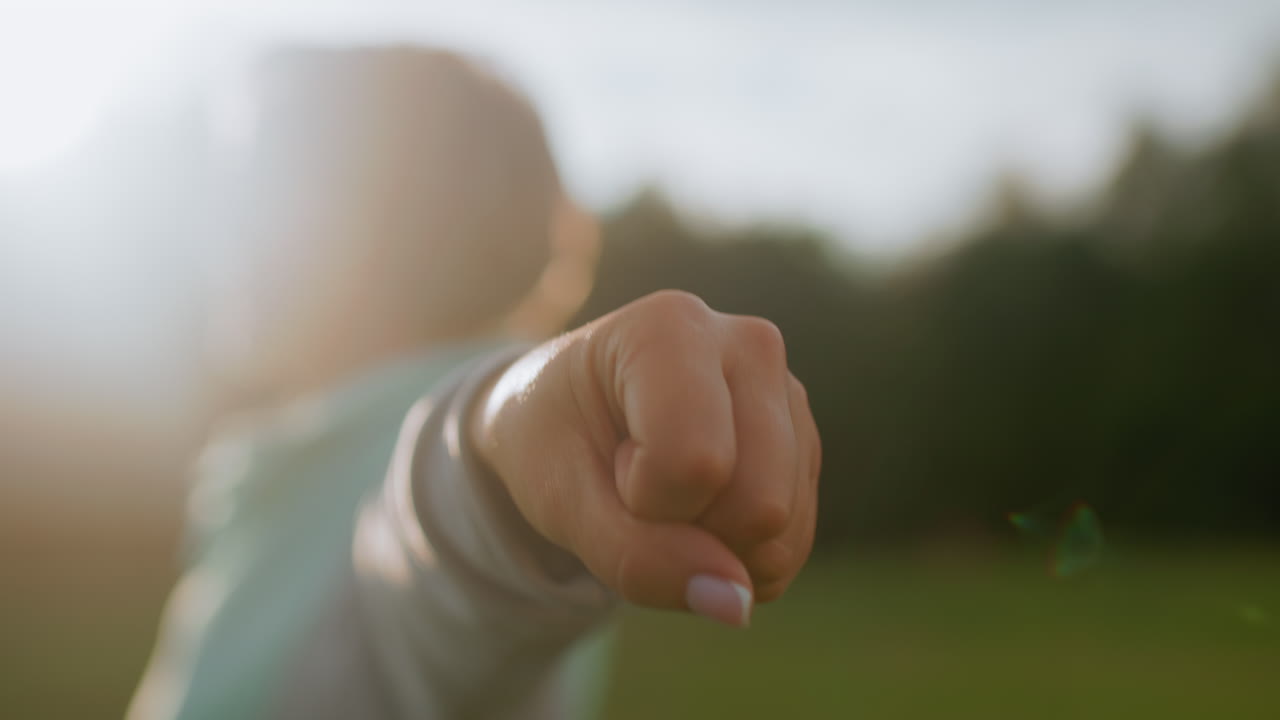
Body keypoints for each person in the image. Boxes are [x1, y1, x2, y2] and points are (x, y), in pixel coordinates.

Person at [129, 45, 820, 720]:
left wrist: (491, 460)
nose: (212, 220)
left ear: (385, 205)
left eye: (260, 175)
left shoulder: (408, 464)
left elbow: (441, 558)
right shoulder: (284, 477)